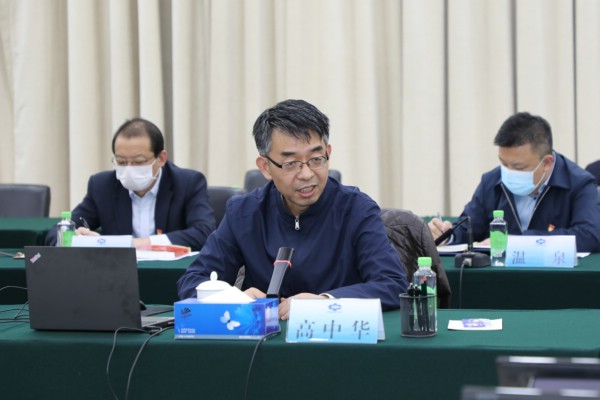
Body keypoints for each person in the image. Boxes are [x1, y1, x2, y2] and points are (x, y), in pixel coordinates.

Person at [177, 99, 408, 319]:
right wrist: (233, 298)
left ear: (328, 153)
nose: (306, 174)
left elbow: (392, 283)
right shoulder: (244, 213)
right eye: (291, 163)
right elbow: (193, 281)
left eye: (316, 159)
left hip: (337, 339)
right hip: (264, 341)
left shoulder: (357, 209)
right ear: (265, 167)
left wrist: (326, 301)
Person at [429, 112, 600, 253]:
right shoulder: (492, 181)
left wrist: (518, 242)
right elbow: (468, 228)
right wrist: (446, 236)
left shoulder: (579, 183)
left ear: (546, 163)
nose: (508, 173)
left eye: (518, 166)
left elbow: (590, 235)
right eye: (504, 163)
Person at [46, 118, 216, 251]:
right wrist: (72, 236)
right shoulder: (102, 186)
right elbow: (55, 233)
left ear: (161, 158)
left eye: (138, 161)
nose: (129, 169)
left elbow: (204, 232)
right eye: (121, 162)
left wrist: (142, 243)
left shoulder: (187, 183)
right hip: (116, 275)